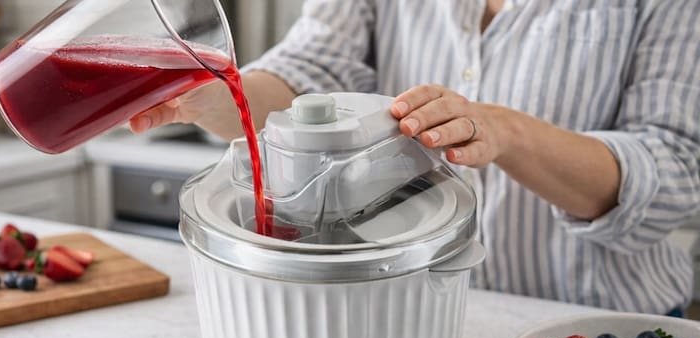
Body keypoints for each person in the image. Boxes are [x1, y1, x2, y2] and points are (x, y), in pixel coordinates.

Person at [130, 0, 700, 315]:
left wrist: (508, 132)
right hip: (417, 313)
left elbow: (672, 174)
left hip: (596, 333)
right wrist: (208, 96)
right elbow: (307, 78)